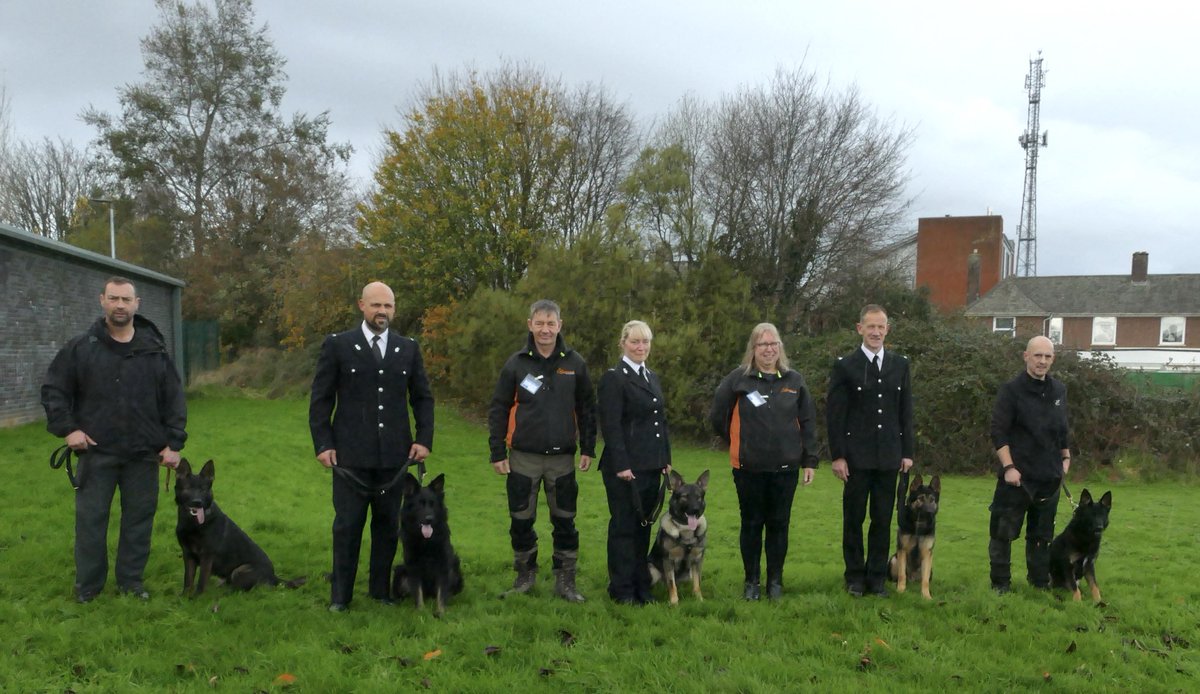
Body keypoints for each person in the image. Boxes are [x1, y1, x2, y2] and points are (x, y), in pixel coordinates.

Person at [41, 276, 187, 603]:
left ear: (137, 304)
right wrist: (68, 429)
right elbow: (54, 391)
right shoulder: (81, 348)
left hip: (143, 456)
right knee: (91, 524)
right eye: (113, 298)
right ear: (102, 301)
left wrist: (173, 443)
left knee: (138, 523)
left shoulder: (154, 352)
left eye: (125, 299)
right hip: (96, 454)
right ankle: (88, 588)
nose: (119, 305)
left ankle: (131, 583)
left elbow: (175, 400)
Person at [309, 281, 434, 612]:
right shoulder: (338, 346)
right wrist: (323, 443)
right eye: (376, 305)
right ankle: (341, 597)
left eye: (388, 306)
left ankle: (380, 592)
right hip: (350, 457)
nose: (383, 311)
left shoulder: (407, 348)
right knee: (347, 527)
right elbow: (320, 399)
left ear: (394, 309)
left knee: (387, 527)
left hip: (394, 458)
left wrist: (424, 439)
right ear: (361, 305)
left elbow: (422, 397)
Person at [488, 299, 596, 602]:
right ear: (530, 325)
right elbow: (498, 407)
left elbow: (587, 407)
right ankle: (525, 576)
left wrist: (588, 446)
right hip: (523, 457)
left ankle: (566, 581)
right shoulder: (516, 364)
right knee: (521, 519)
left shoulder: (575, 363)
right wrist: (497, 451)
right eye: (540, 323)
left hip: (562, 459)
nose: (545, 329)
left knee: (565, 520)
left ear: (560, 325)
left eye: (551, 323)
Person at [711, 322, 818, 601]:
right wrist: (737, 441)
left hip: (786, 468)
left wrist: (810, 460)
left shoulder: (794, 381)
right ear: (753, 349)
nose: (768, 349)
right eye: (762, 344)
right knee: (751, 524)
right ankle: (751, 583)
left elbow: (808, 423)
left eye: (773, 344)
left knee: (779, 524)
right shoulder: (739, 379)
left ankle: (775, 582)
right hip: (749, 468)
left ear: (780, 347)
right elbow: (717, 416)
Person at [826, 304, 914, 597]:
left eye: (881, 326)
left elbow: (905, 412)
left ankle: (876, 577)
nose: (876, 332)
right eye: (871, 326)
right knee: (853, 519)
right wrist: (838, 455)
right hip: (856, 457)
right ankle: (854, 576)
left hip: (888, 456)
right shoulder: (845, 366)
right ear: (859, 328)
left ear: (888, 329)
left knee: (882, 518)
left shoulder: (899, 365)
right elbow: (836, 414)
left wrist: (907, 451)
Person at [987, 335, 1071, 593]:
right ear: (1026, 356)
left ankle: (1039, 583)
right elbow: (999, 432)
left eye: (1047, 356)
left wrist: (1066, 458)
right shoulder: (1010, 391)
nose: (1042, 361)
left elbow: (1062, 429)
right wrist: (1009, 468)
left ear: (1052, 359)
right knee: (1003, 533)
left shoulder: (1059, 390)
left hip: (1049, 477)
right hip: (1017, 477)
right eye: (1037, 355)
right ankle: (1000, 584)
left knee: (1041, 536)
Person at [598, 320, 671, 605]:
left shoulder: (650, 376)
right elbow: (612, 425)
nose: (641, 348)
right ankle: (621, 589)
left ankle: (642, 586)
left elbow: (660, 421)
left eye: (645, 343)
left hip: (651, 464)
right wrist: (621, 465)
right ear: (623, 344)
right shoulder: (614, 378)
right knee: (623, 528)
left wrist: (665, 459)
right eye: (635, 342)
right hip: (625, 468)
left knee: (643, 527)